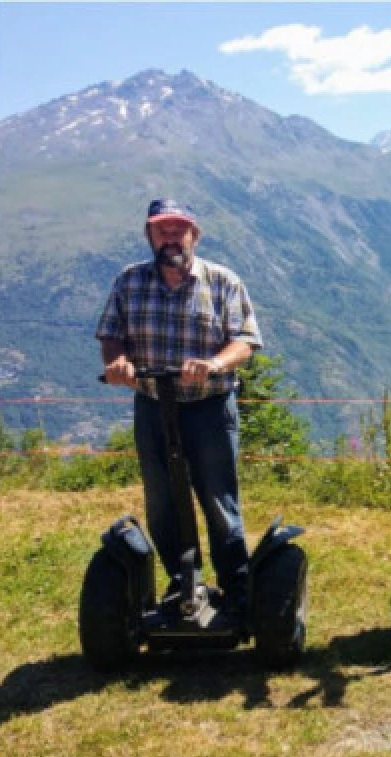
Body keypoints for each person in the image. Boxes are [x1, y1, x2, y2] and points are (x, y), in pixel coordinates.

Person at [97, 198, 263, 617]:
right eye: (161, 230)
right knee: (162, 499)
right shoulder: (128, 282)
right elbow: (110, 334)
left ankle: (236, 587)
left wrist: (214, 364)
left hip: (209, 407)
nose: (170, 238)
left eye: (178, 229)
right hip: (154, 404)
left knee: (218, 498)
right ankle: (181, 581)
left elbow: (245, 341)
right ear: (149, 236)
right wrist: (116, 362)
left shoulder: (223, 281)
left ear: (194, 234)